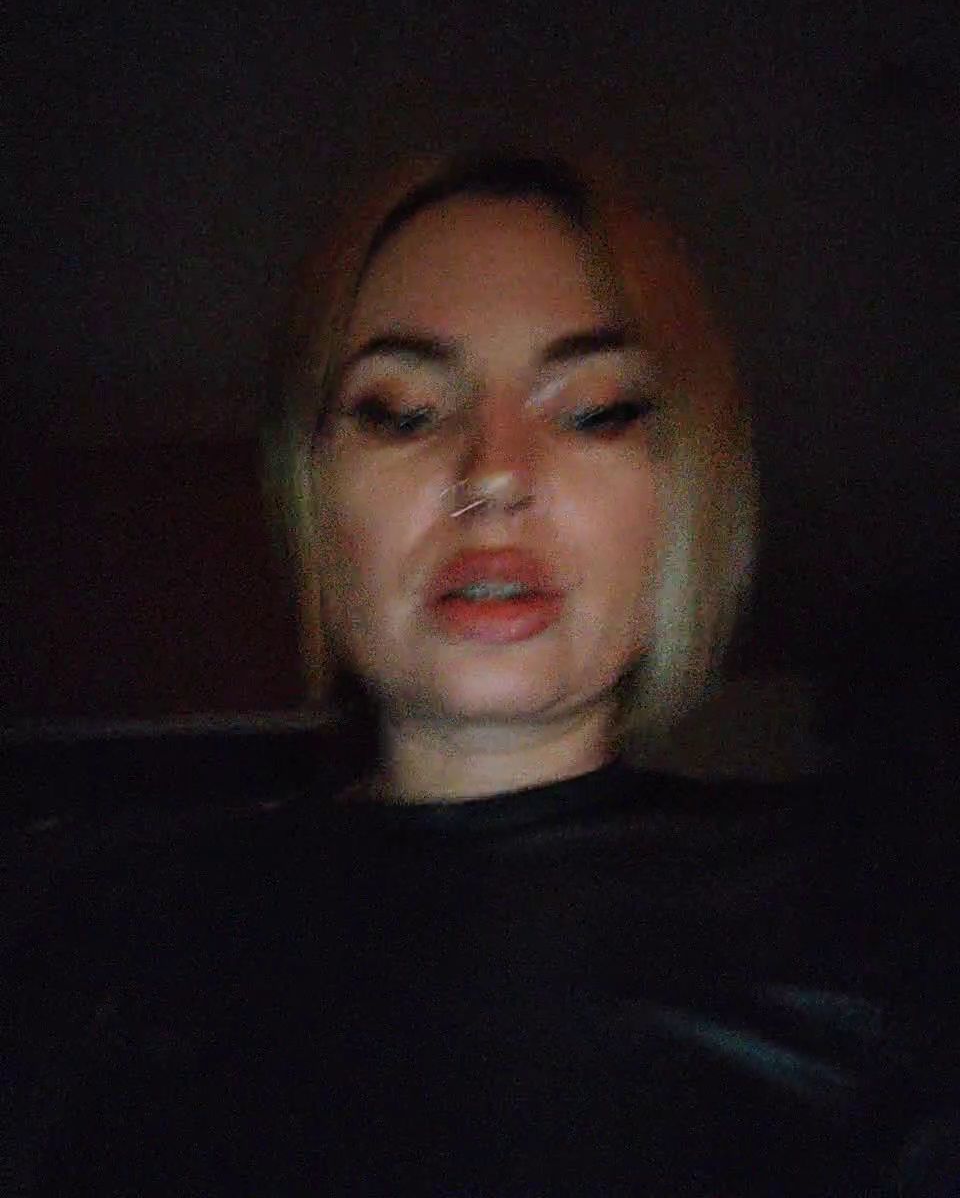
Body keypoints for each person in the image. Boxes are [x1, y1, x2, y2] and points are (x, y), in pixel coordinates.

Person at [7, 150, 959, 1195]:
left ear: (687, 494)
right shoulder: (92, 924)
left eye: (596, 408)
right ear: (311, 494)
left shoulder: (888, 914)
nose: (495, 472)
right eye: (402, 411)